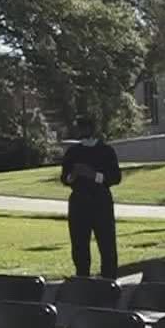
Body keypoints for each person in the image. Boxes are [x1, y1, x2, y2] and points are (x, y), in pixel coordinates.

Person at [60, 117, 122, 279]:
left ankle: (109, 280)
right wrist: (74, 174)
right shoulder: (73, 152)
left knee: (107, 243)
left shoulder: (106, 151)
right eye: (81, 128)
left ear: (93, 129)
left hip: (101, 202)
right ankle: (82, 279)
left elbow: (115, 177)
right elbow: (65, 178)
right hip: (79, 202)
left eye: (86, 127)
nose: (83, 131)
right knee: (79, 245)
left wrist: (94, 175)